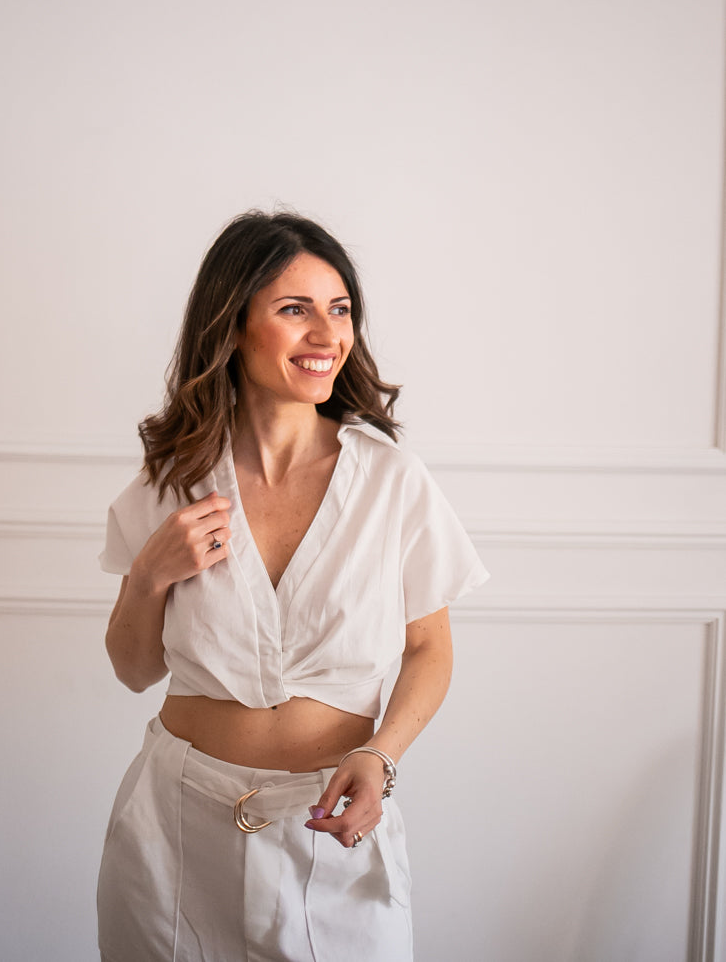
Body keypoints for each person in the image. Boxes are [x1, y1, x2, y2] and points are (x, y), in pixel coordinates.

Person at [97, 210, 488, 962]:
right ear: (232, 326)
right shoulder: (171, 481)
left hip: (331, 826)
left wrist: (382, 755)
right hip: (173, 832)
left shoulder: (391, 481)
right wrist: (150, 574)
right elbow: (134, 668)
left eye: (339, 309)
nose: (327, 334)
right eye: (294, 309)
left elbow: (429, 649)